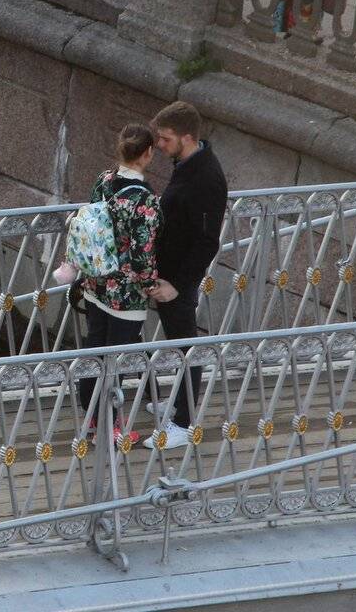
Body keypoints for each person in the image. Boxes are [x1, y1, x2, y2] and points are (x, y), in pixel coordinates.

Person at [146, 101, 228, 450]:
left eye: (165, 139)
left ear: (187, 137)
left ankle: (184, 423)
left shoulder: (206, 177)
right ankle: (179, 403)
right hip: (168, 272)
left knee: (185, 345)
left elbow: (208, 241)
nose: (159, 145)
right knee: (178, 341)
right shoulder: (188, 164)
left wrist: (176, 285)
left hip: (177, 279)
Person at [76, 123, 161, 444]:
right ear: (148, 153)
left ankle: (92, 416)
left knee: (95, 349)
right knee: (117, 360)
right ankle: (108, 428)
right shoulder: (144, 199)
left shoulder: (104, 180)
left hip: (95, 283)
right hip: (126, 295)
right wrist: (151, 284)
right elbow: (142, 253)